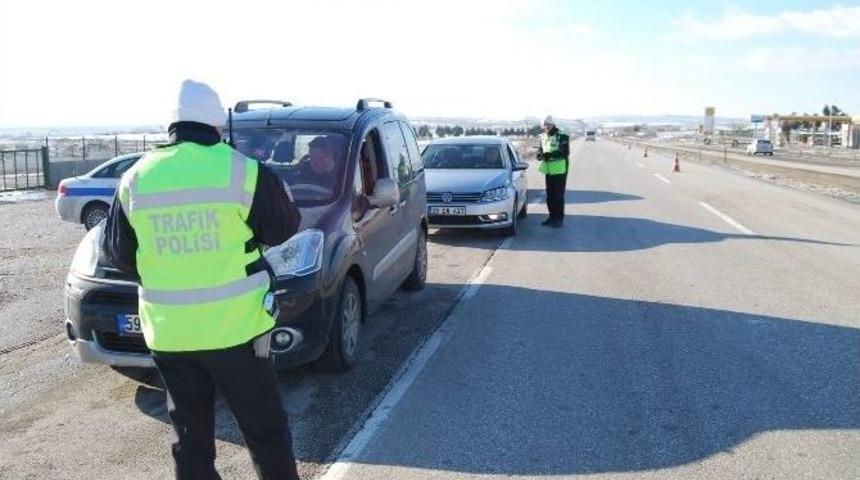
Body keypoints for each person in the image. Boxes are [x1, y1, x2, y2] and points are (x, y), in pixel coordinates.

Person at [103, 79, 302, 480]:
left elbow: (118, 255)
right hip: (238, 331)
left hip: (171, 334)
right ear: (218, 124)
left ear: (169, 127)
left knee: (191, 441)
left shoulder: (135, 178)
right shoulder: (242, 171)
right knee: (265, 432)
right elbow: (283, 228)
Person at [536, 115, 570, 227]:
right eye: (544, 125)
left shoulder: (562, 135)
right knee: (550, 196)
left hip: (560, 170)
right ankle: (552, 217)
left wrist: (549, 155)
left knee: (558, 196)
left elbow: (564, 152)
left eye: (547, 124)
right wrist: (539, 154)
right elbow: (541, 148)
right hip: (549, 170)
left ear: (552, 124)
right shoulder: (543, 136)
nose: (545, 127)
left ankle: (559, 219)